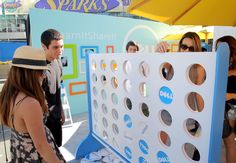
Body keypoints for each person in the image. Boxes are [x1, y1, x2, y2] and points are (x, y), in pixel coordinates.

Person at [0, 46, 65, 162]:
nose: (44, 75)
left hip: (20, 151)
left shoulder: (9, 93)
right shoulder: (30, 103)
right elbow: (41, 146)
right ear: (30, 74)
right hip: (35, 156)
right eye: (42, 71)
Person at [156, 32, 204, 161]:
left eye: (191, 48)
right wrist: (159, 48)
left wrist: (204, 121)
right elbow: (157, 62)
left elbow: (198, 96)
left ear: (197, 49)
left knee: (180, 157)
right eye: (184, 46)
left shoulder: (199, 68)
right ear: (179, 47)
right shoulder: (171, 62)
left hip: (186, 120)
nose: (187, 50)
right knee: (160, 151)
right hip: (166, 115)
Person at [41, 29, 65, 147]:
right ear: (44, 46)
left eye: (61, 46)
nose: (60, 51)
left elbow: (58, 89)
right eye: (55, 47)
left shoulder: (58, 62)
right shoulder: (38, 69)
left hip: (56, 119)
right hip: (43, 122)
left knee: (57, 149)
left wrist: (61, 109)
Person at [216, 36, 236, 163]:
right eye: (217, 48)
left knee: (229, 143)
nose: (218, 51)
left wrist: (231, 95)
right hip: (218, 109)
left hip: (232, 110)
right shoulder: (219, 66)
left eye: (221, 47)